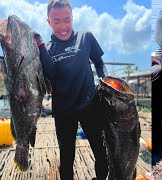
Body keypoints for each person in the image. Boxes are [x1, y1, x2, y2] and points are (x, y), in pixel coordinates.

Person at [34, 0, 108, 179]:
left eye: (67, 20)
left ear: (72, 18)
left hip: (90, 105)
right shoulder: (47, 49)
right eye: (57, 21)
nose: (63, 26)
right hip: (64, 111)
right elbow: (50, 75)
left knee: (102, 153)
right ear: (49, 22)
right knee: (67, 158)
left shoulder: (86, 37)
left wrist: (104, 81)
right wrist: (40, 46)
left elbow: (99, 63)